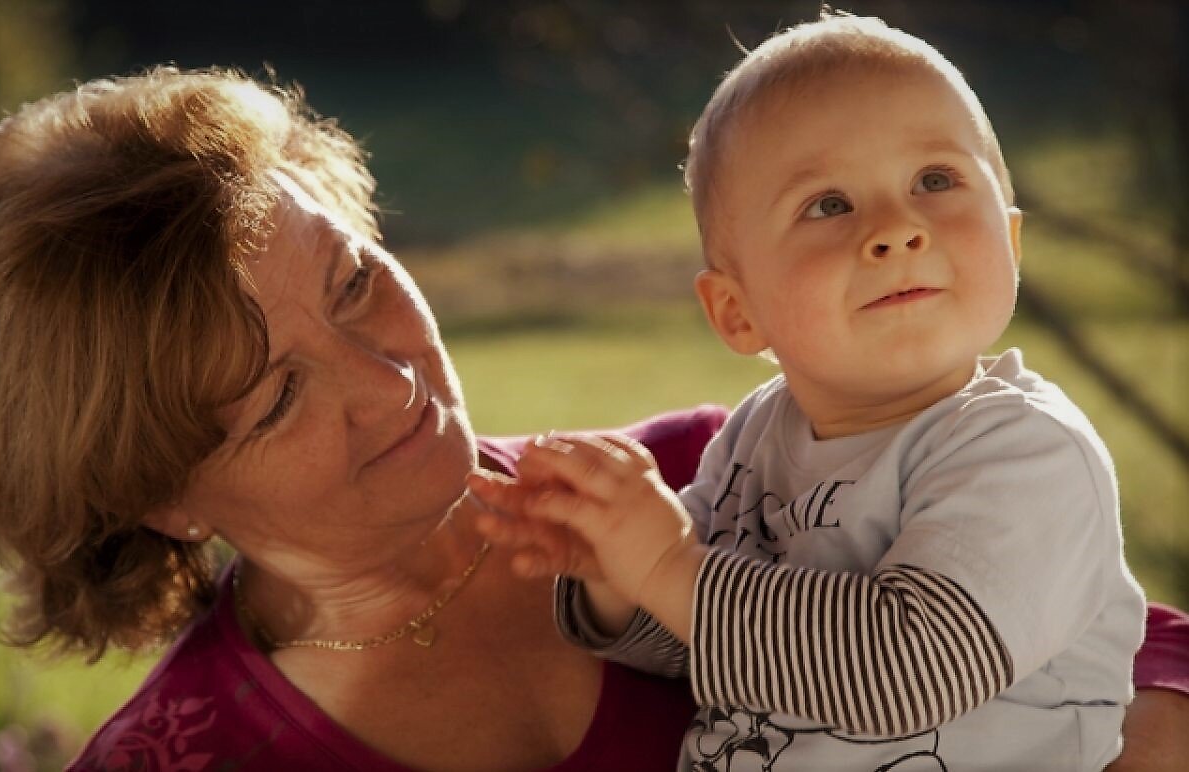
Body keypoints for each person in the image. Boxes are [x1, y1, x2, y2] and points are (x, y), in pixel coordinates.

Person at [0, 64, 1184, 772]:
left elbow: (1122, 638)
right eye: (279, 395)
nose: (388, 378)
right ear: (157, 489)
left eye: (355, 281)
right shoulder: (178, 759)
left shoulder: (721, 480)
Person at [469, 12, 1158, 771]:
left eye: (935, 180)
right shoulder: (757, 439)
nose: (897, 230)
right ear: (738, 312)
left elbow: (909, 669)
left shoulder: (1025, 454)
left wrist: (668, 567)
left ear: (1012, 241)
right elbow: (703, 632)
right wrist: (617, 577)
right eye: (829, 204)